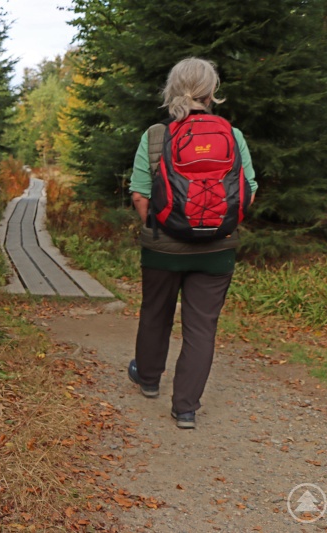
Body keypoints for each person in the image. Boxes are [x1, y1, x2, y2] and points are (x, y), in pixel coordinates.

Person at [127, 57, 258, 429]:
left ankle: (149, 380)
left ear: (171, 89)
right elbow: (249, 191)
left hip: (162, 249)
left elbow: (139, 194)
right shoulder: (232, 136)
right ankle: (185, 408)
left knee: (156, 313)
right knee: (202, 327)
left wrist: (162, 228)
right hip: (217, 250)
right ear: (211, 91)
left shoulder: (155, 135)